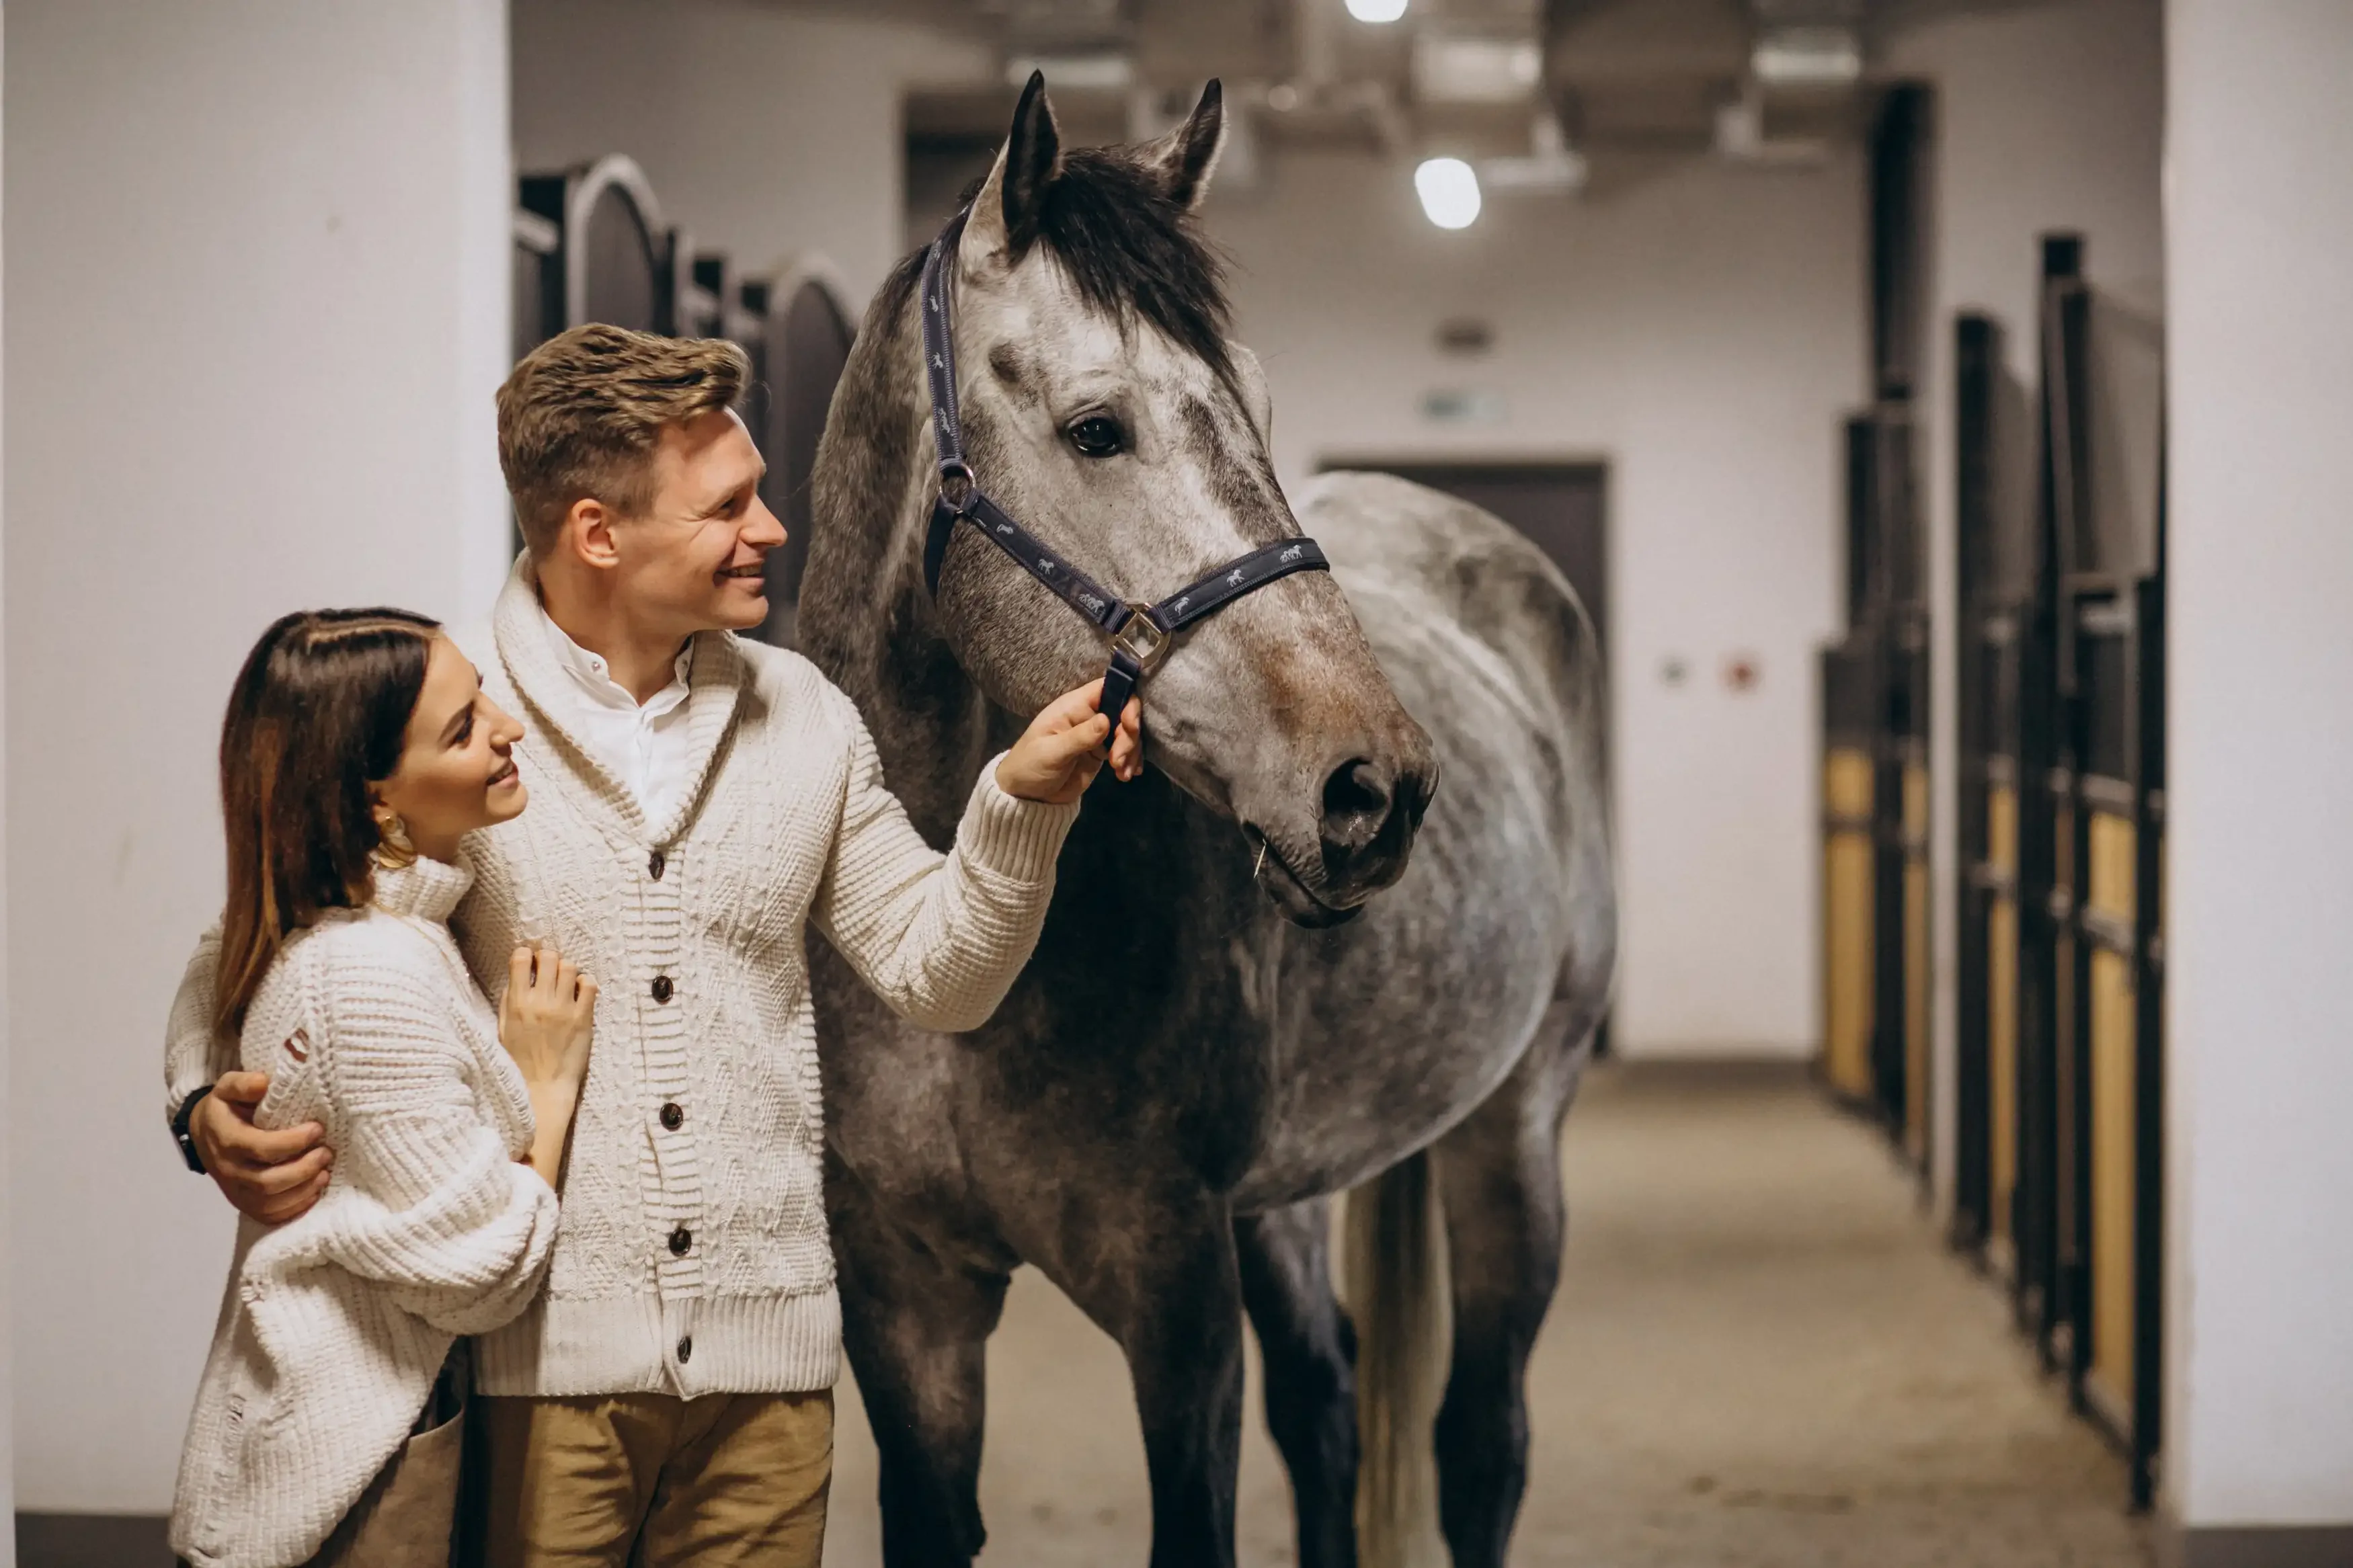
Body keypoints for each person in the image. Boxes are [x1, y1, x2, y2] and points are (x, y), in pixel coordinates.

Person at [164, 323, 1140, 1566]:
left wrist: (1024, 797)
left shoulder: (807, 720)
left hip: (770, 1381)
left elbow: (937, 974)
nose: (770, 530)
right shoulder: (455, 730)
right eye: (729, 506)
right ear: (599, 533)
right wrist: (203, 1102)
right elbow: (252, 941)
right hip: (532, 1376)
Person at [169, 609, 598, 1568]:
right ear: (374, 803)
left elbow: (212, 964)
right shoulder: (372, 974)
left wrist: (194, 1104)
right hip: (352, 1483)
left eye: (482, 695)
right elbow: (484, 1274)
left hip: (334, 1448)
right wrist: (547, 1087)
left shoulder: (339, 924)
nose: (508, 726)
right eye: (462, 727)